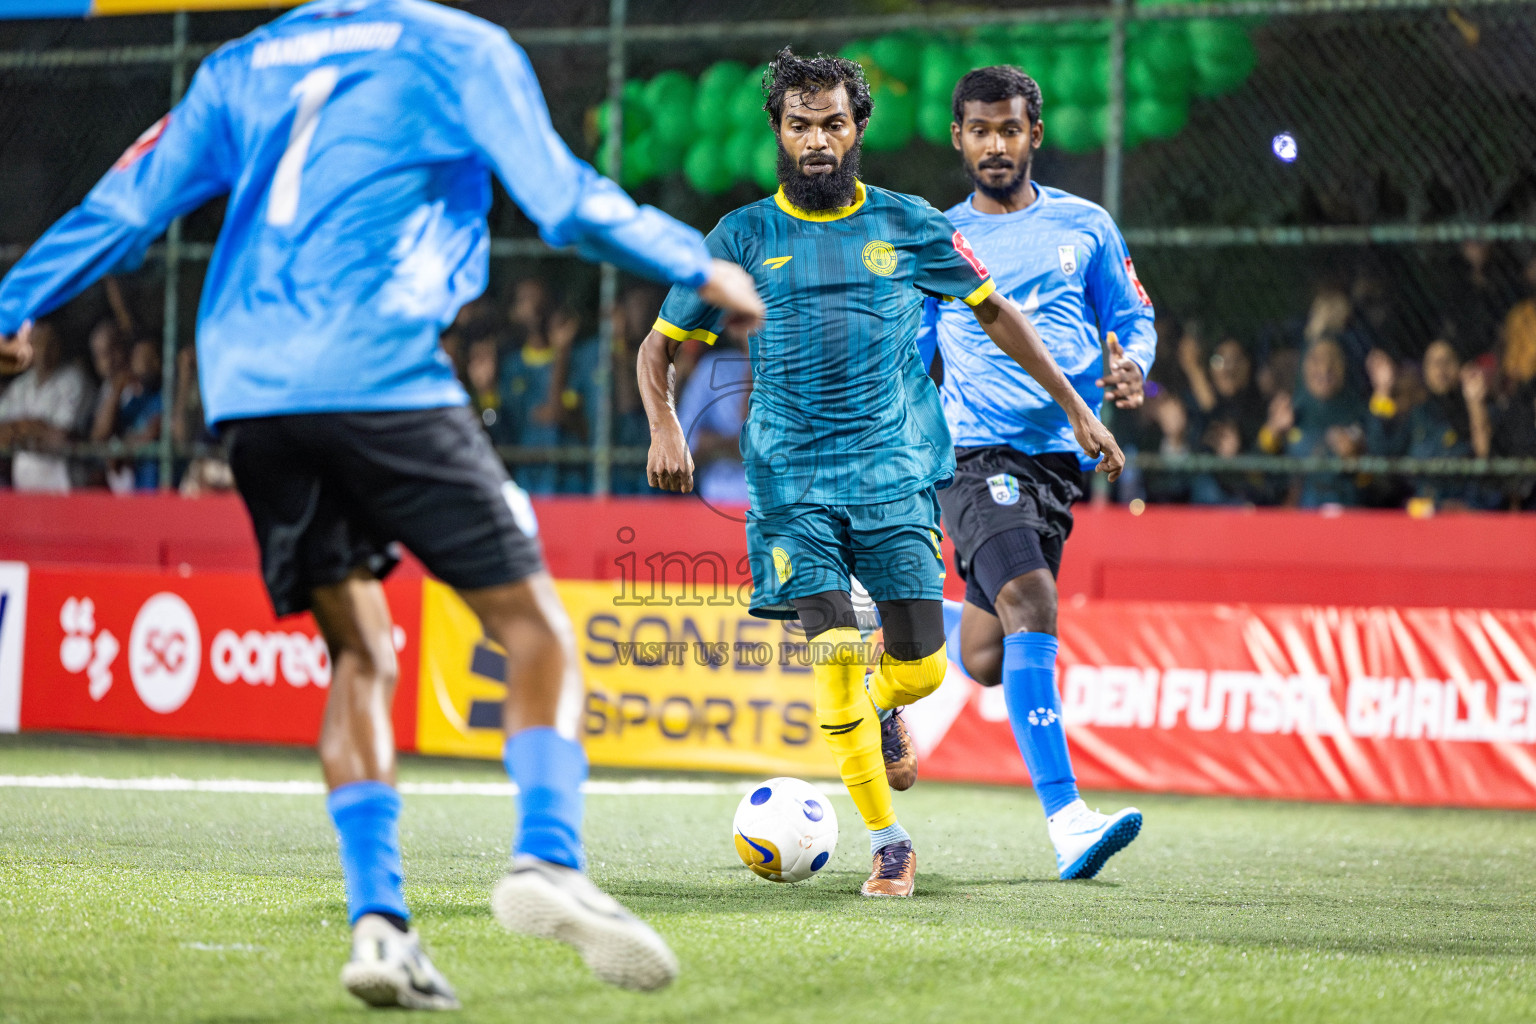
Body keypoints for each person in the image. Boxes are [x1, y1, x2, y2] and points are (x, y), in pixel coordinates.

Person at [0, 0, 763, 1008]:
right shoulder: (458, 45)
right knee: (536, 634)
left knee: (361, 651)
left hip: (248, 395)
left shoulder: (246, 58)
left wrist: (14, 305)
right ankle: (547, 859)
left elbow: (127, 208)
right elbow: (565, 202)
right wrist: (695, 261)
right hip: (380, 370)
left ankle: (381, 929)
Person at [641, 49, 1121, 899]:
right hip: (790, 483)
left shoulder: (908, 225)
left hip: (895, 475)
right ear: (778, 134)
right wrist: (666, 423)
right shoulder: (743, 236)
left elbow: (997, 314)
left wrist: (1077, 407)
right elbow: (660, 346)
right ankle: (888, 840)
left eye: (832, 122)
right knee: (829, 653)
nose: (817, 140)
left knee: (924, 670)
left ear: (859, 127)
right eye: (800, 125)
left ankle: (885, 706)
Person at [917, 65, 1149, 880]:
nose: (994, 144)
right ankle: (1068, 820)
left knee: (986, 654)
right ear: (958, 137)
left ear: (1034, 135)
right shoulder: (938, 241)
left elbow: (1132, 318)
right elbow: (915, 360)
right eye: (979, 130)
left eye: (1009, 129)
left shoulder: (1087, 226)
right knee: (1035, 602)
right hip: (976, 456)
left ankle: (911, 624)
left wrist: (1133, 371)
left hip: (1059, 464)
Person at [0, 319, 88, 492]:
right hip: (24, 487)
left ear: (59, 345)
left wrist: (20, 429)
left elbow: (61, 436)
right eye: (39, 344)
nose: (45, 351)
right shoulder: (21, 385)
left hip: (63, 487)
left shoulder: (74, 379)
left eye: (51, 344)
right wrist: (35, 428)